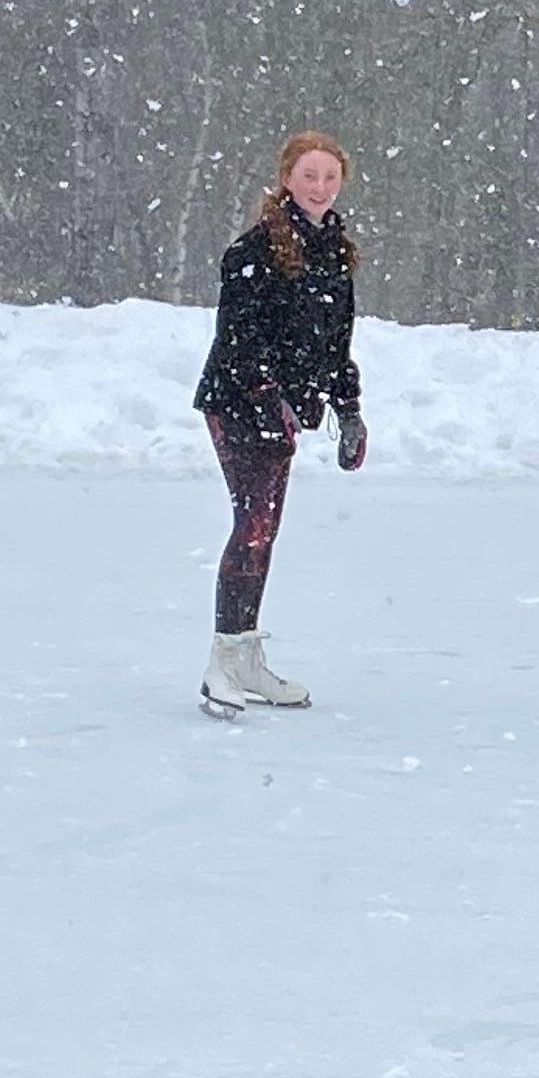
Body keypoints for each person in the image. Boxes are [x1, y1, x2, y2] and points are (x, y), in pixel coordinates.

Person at [192, 131, 366, 716]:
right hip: (238, 403)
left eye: (330, 178)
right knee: (253, 526)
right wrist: (267, 396)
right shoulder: (255, 249)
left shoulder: (336, 253)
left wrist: (349, 410)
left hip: (285, 412)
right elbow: (238, 338)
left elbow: (336, 344)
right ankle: (222, 660)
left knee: (264, 530)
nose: (319, 187)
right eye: (309, 176)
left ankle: (245, 657)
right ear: (287, 178)